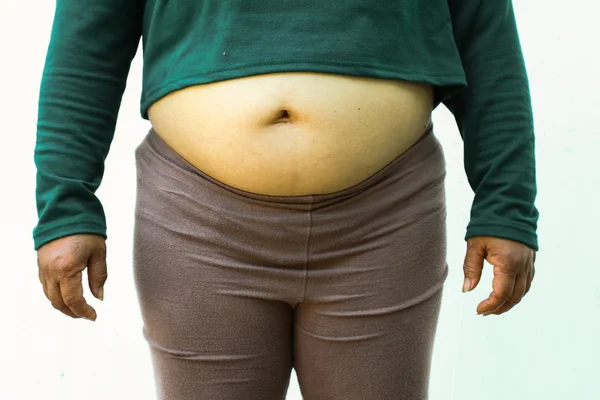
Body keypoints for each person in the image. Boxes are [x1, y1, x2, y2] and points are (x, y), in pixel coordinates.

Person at [33, 1, 538, 399]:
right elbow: (86, 43)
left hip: (385, 218)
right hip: (198, 220)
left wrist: (507, 204)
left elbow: (486, 40)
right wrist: (65, 204)